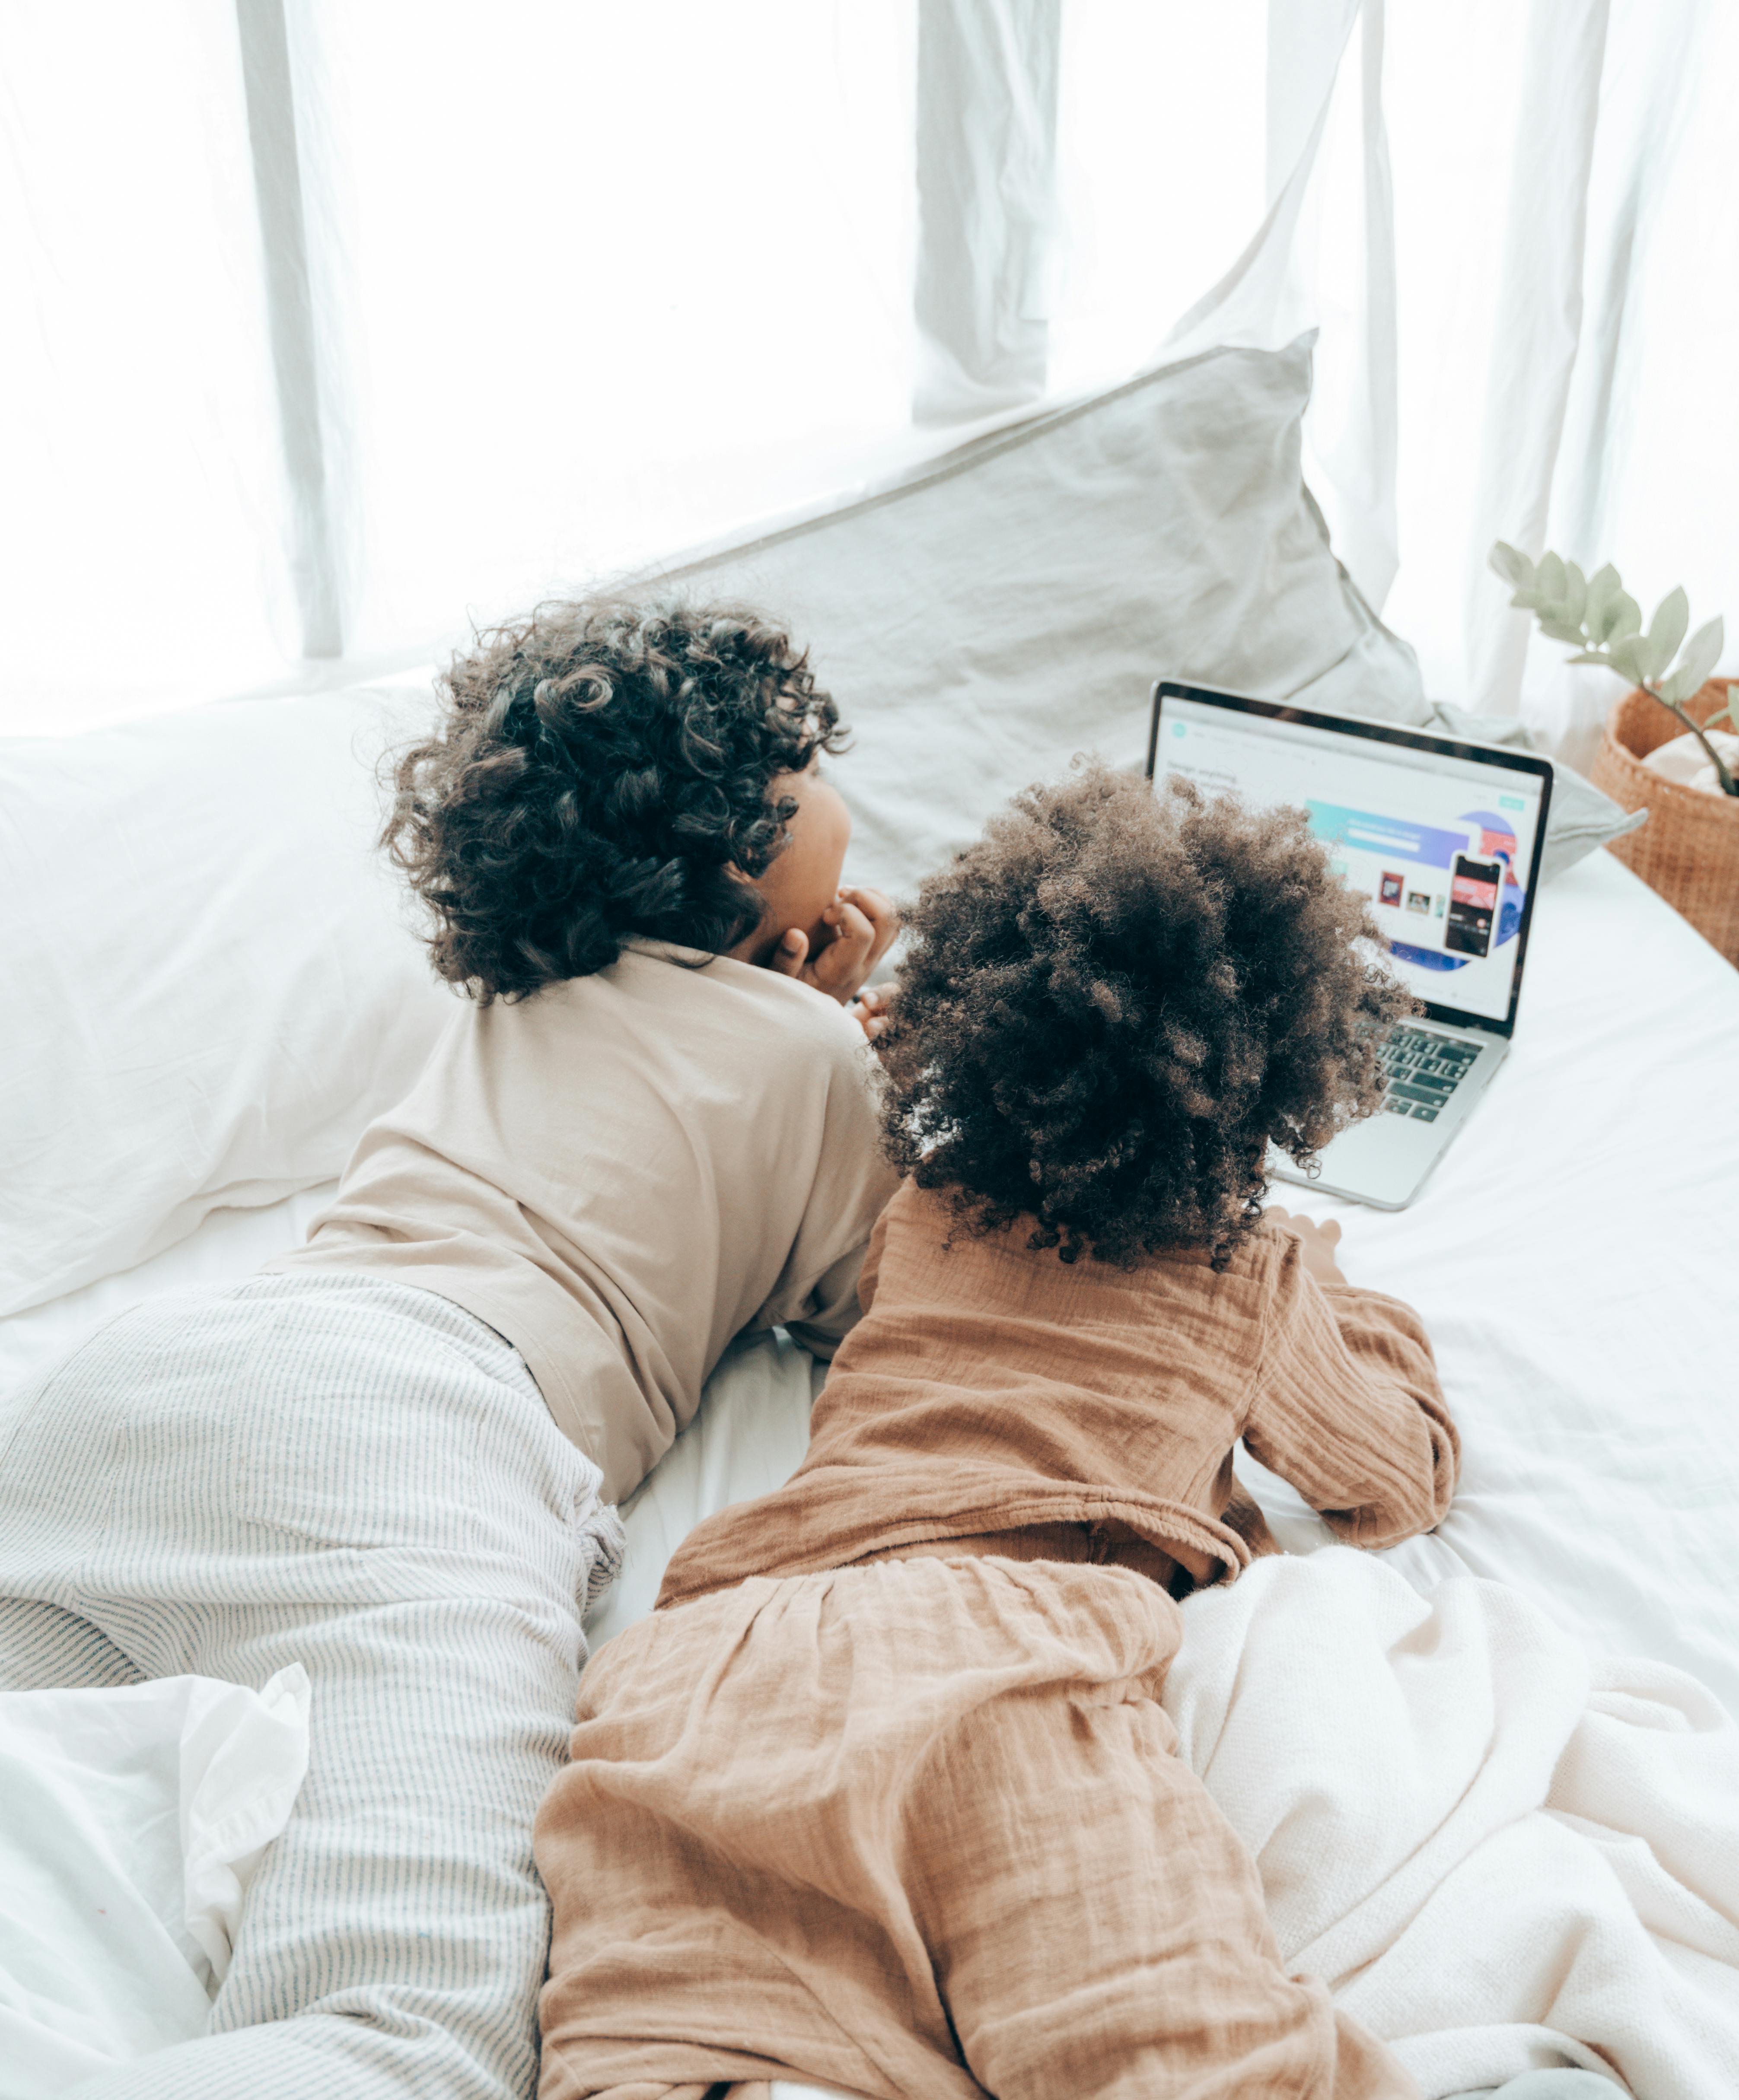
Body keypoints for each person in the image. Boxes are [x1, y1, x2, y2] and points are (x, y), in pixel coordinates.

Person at [0, 598, 898, 2100]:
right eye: (801, 769)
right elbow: (891, 1293)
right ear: (757, 879)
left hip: (135, 1394)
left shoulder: (509, 994)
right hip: (405, 1432)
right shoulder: (811, 1054)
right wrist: (860, 1054)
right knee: (419, 2030)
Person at [533, 762, 1461, 2100]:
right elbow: (1397, 1476)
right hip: (1000, 1655)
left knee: (672, 2039)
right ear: (1274, 1092)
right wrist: (1337, 1288)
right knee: (1176, 2053)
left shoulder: (922, 1212)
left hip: (709, 1661)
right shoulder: (1249, 1273)